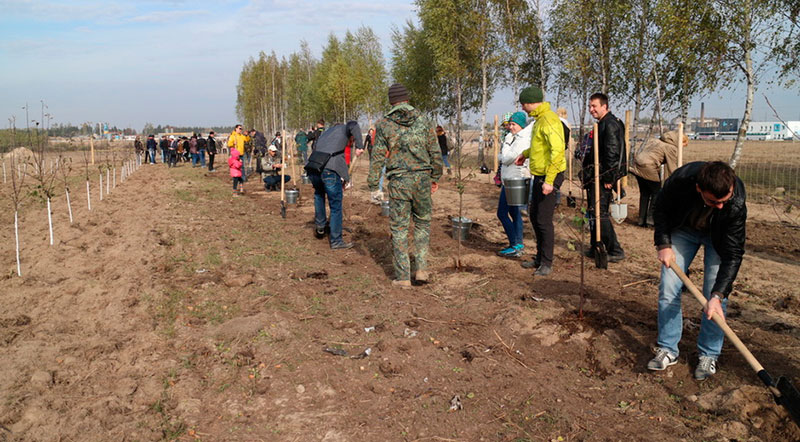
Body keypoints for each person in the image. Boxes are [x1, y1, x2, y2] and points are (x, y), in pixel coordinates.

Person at [647, 161, 746, 380]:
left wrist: (718, 294)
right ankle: (668, 349)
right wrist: (663, 244)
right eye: (713, 201)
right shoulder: (682, 180)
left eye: (724, 200)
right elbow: (660, 209)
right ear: (699, 189)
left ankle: (709, 353)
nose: (720, 206)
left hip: (718, 239)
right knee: (669, 287)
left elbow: (733, 254)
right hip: (684, 230)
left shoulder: (736, 202)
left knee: (715, 298)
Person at [368, 83, 443, 287]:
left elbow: (377, 157)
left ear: (391, 101)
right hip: (422, 180)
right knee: (422, 223)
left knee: (399, 228)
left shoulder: (384, 124)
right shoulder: (424, 120)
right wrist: (435, 177)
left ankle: (402, 277)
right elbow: (435, 152)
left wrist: (374, 184)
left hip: (399, 182)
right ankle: (421, 269)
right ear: (407, 99)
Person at [514, 87, 567, 276]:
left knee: (543, 220)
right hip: (540, 174)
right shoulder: (539, 120)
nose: (522, 107)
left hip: (550, 175)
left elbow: (558, 151)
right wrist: (525, 154)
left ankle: (547, 262)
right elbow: (539, 147)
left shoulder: (549, 120)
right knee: (535, 215)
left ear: (530, 102)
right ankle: (539, 257)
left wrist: (550, 181)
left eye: (523, 103)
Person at [582, 92, 626, 262]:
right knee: (593, 211)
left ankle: (614, 249)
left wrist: (609, 178)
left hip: (603, 176)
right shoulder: (603, 123)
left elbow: (612, 153)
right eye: (590, 106)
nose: (591, 110)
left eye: (594, 106)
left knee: (599, 212)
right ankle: (596, 246)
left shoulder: (610, 125)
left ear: (604, 106)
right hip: (597, 175)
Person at [306, 121, 363, 250]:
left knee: (319, 195)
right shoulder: (345, 128)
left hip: (314, 168)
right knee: (336, 205)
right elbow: (354, 125)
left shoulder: (327, 133)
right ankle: (336, 240)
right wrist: (360, 145)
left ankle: (320, 227)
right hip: (328, 169)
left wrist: (343, 180)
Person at [629, 130, 684, 227]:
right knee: (657, 193)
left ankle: (641, 220)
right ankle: (651, 220)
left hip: (637, 164)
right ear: (679, 141)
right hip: (648, 166)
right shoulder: (670, 148)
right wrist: (679, 179)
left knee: (645, 193)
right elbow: (672, 167)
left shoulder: (656, 141)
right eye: (684, 144)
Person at [496, 112, 531, 258]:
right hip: (510, 179)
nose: (510, 127)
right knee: (514, 212)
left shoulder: (522, 140)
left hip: (515, 180)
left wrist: (505, 147)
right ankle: (518, 244)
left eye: (513, 124)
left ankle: (515, 244)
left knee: (502, 213)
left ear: (521, 125)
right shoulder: (514, 138)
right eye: (510, 124)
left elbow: (507, 158)